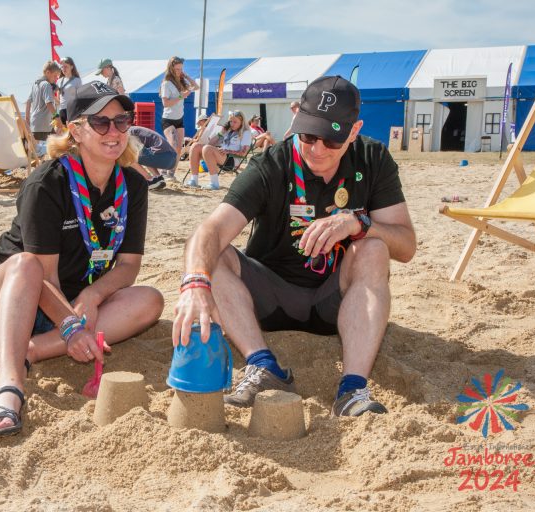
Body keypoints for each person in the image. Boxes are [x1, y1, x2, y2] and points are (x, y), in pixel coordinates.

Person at [173, 76, 416, 417]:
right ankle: (262, 364)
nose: (317, 149)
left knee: (374, 247)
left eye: (331, 139)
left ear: (354, 129)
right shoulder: (272, 163)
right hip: (270, 300)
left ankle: (352, 388)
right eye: (308, 135)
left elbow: (405, 246)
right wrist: (195, 282)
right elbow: (210, 230)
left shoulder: (372, 159)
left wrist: (359, 224)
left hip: (337, 302)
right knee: (213, 254)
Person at [0, 81, 164, 442]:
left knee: (151, 299)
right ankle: (9, 388)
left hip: (76, 297)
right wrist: (72, 327)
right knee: (26, 263)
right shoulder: (47, 183)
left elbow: (128, 266)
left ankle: (30, 349)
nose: (114, 131)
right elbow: (42, 277)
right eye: (101, 123)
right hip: (12, 292)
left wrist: (91, 296)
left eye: (122, 121)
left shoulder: (133, 185)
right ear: (75, 130)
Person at [186, 110, 251, 190]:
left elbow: (244, 153)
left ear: (242, 122)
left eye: (235, 122)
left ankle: (214, 183)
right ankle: (194, 180)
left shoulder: (245, 133)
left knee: (207, 148)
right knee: (195, 146)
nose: (232, 124)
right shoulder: (228, 131)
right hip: (222, 155)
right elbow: (210, 143)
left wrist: (229, 151)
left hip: (232, 159)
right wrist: (222, 132)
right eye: (230, 121)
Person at [159, 56, 198, 181]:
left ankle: (171, 174)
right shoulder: (166, 83)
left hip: (179, 119)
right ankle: (163, 170)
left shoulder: (181, 81)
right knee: (173, 144)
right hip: (168, 119)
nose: (179, 71)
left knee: (179, 148)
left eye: (181, 69)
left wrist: (185, 75)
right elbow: (166, 103)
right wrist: (181, 97)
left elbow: (196, 86)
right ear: (171, 68)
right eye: (177, 69)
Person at [128, 125, 176, 190]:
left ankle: (150, 180)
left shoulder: (128, 132)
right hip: (172, 159)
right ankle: (158, 178)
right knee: (145, 152)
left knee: (128, 156)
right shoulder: (136, 129)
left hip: (162, 156)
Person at [25, 61, 61, 142]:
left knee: (40, 150)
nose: (56, 79)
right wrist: (57, 118)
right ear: (48, 72)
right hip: (44, 125)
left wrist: (27, 120)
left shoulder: (35, 84)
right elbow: (49, 103)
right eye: (55, 76)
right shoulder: (46, 84)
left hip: (35, 125)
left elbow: (28, 101)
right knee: (51, 149)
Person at [57, 57, 82, 127]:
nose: (63, 69)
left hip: (73, 110)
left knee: (74, 133)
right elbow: (58, 98)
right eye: (62, 67)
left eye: (66, 67)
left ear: (71, 67)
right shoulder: (59, 81)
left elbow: (80, 97)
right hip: (62, 110)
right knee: (64, 135)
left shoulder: (77, 80)